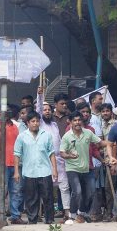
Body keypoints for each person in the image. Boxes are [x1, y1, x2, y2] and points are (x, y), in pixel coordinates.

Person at [60, 111, 106, 223]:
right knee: (77, 191)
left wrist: (112, 143)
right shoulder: (67, 136)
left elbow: (100, 143)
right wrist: (70, 155)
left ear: (82, 121)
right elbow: (62, 153)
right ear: (70, 122)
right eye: (74, 120)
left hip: (86, 168)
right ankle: (72, 214)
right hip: (72, 169)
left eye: (79, 120)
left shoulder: (88, 133)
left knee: (91, 192)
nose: (77, 122)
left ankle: (82, 213)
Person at [14, 112, 57, 225]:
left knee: (48, 197)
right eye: (33, 121)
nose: (35, 123)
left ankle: (49, 220)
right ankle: (32, 220)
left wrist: (54, 169)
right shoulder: (22, 137)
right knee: (31, 198)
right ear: (28, 123)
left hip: (45, 170)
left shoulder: (46, 135)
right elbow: (17, 154)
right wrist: (16, 172)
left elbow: (51, 153)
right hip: (29, 171)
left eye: (37, 121)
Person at [0, 106, 23, 225]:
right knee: (2, 190)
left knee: (16, 191)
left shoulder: (16, 126)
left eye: (8, 111)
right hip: (1, 164)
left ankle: (15, 216)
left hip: (15, 163)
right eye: (3, 111)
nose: (6, 113)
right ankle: (1, 216)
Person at [36, 88, 67, 221]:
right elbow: (38, 107)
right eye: (45, 110)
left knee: (64, 187)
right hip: (45, 161)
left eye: (49, 109)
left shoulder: (54, 124)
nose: (47, 111)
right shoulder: (40, 123)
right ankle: (42, 214)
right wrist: (40, 95)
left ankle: (67, 212)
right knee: (46, 189)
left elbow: (58, 141)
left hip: (59, 160)